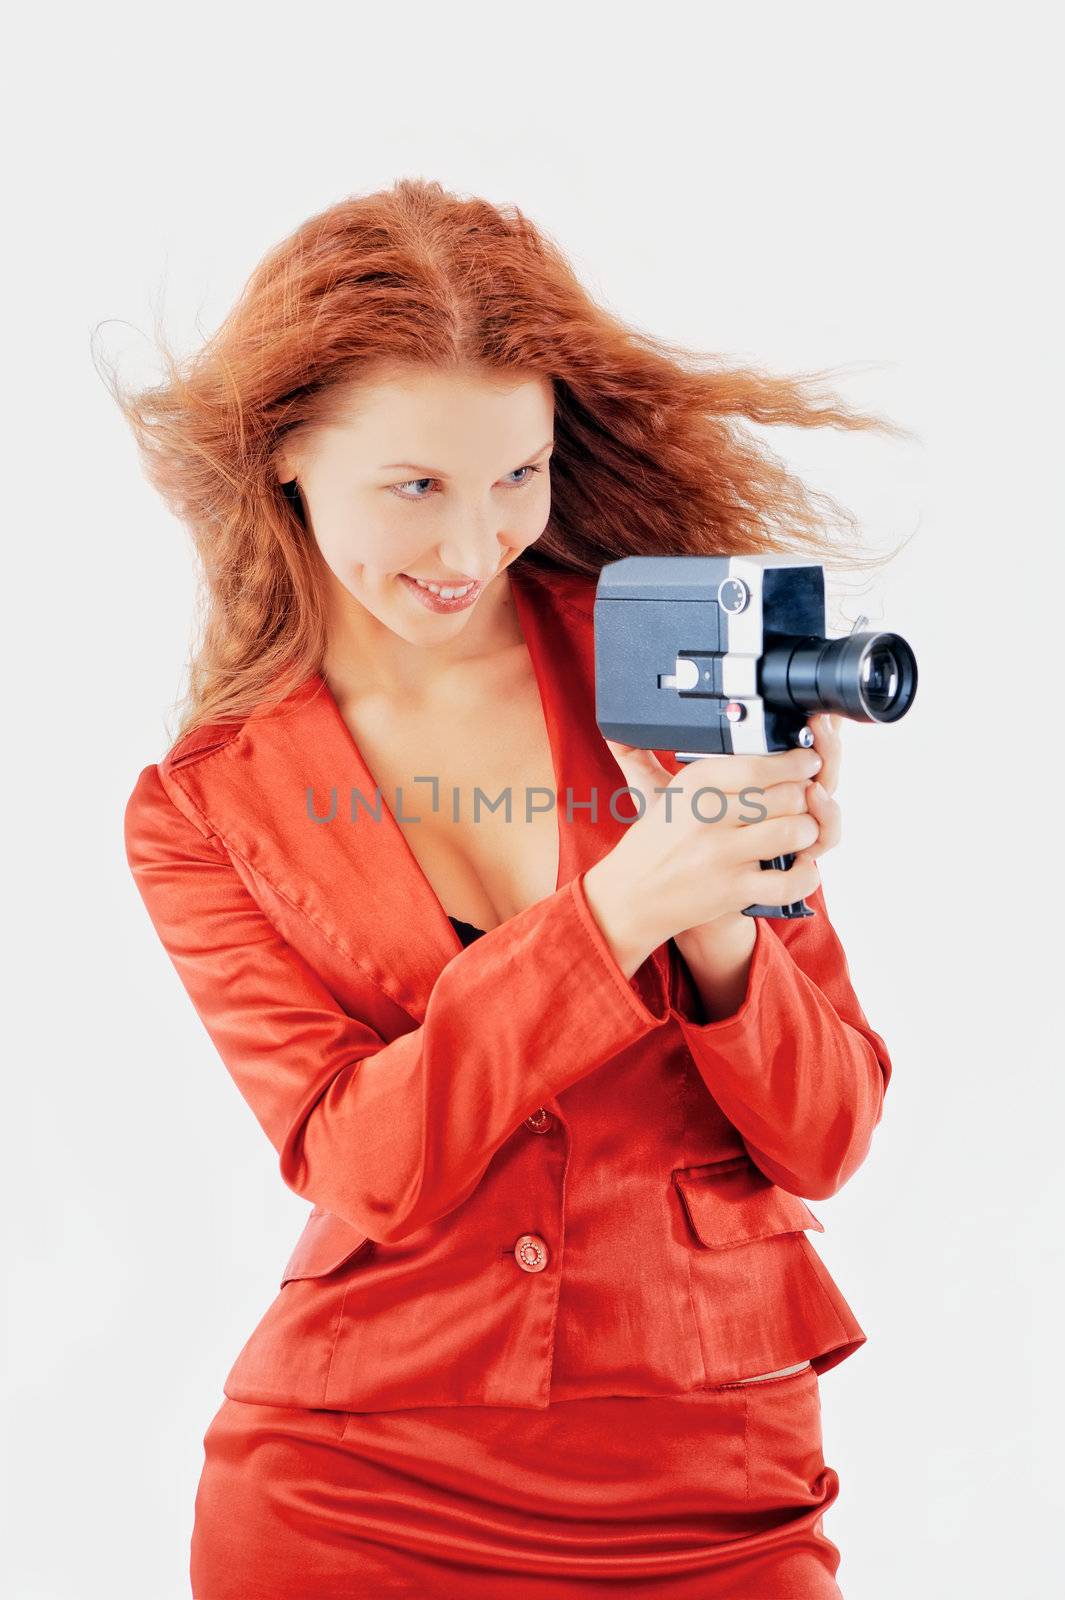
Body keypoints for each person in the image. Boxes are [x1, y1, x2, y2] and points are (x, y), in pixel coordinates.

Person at [115, 177, 898, 1598]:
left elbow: (826, 1136)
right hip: (353, 1490)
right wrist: (619, 915)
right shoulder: (203, 805)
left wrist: (725, 944)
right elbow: (365, 1165)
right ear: (284, 456)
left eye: (515, 478)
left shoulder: (678, 670)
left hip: (714, 1489)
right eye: (412, 486)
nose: (472, 548)